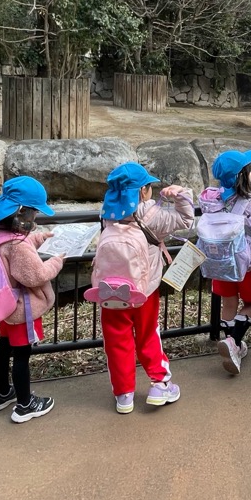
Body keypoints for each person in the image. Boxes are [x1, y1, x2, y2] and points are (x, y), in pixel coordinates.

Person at [96, 162, 195, 414]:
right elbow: (186, 218)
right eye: (148, 186)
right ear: (142, 191)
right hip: (144, 291)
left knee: (116, 340)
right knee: (148, 334)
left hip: (110, 292)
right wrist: (181, 194)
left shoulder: (106, 213)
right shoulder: (152, 214)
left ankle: (124, 395)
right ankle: (160, 384)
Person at [0, 176, 63, 424]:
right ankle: (25, 405)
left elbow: (17, 248)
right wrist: (57, 262)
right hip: (22, 308)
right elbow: (36, 275)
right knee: (22, 355)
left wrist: (40, 238)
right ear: (22, 213)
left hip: (6, 305)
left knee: (4, 348)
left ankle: (2, 393)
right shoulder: (18, 245)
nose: (35, 217)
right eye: (34, 212)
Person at [200, 149, 251, 376]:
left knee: (228, 303)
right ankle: (234, 342)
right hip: (247, 262)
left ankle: (231, 345)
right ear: (243, 176)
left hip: (219, 261)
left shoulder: (209, 199)